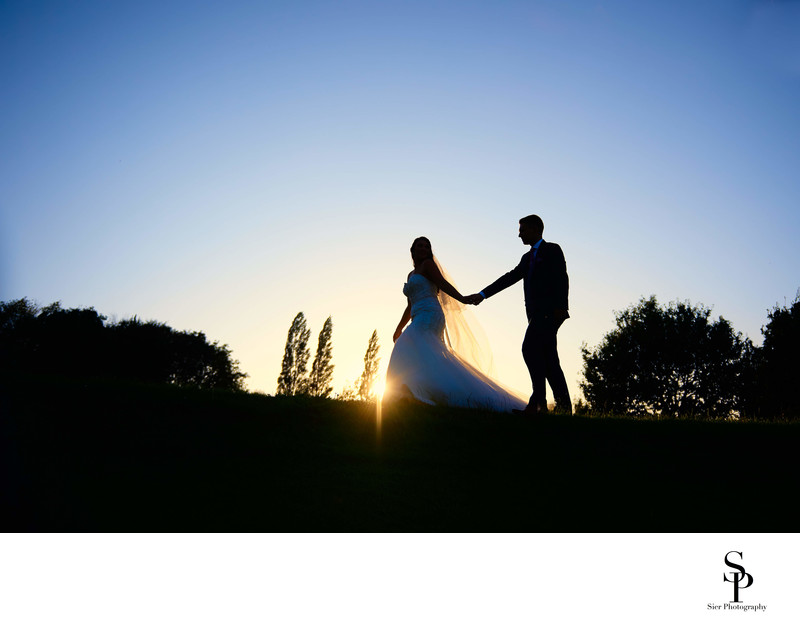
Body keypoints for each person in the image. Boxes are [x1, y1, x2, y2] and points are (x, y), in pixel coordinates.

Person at [384, 237, 525, 411]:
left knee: (405, 347)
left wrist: (462, 298)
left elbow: (443, 284)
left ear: (429, 251)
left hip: (430, 315)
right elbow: (410, 305)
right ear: (412, 250)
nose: (423, 248)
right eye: (419, 246)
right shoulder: (411, 275)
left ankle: (411, 392)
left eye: (427, 246)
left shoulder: (428, 265)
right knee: (423, 355)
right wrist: (399, 327)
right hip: (417, 315)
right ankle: (413, 394)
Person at [465, 215, 572, 415]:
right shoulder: (526, 258)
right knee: (549, 359)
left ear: (534, 229)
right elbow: (510, 278)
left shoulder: (552, 250)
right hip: (534, 314)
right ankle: (564, 407)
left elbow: (561, 277)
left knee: (529, 349)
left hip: (550, 312)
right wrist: (482, 295)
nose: (519, 234)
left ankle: (537, 404)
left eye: (522, 230)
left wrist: (561, 307)